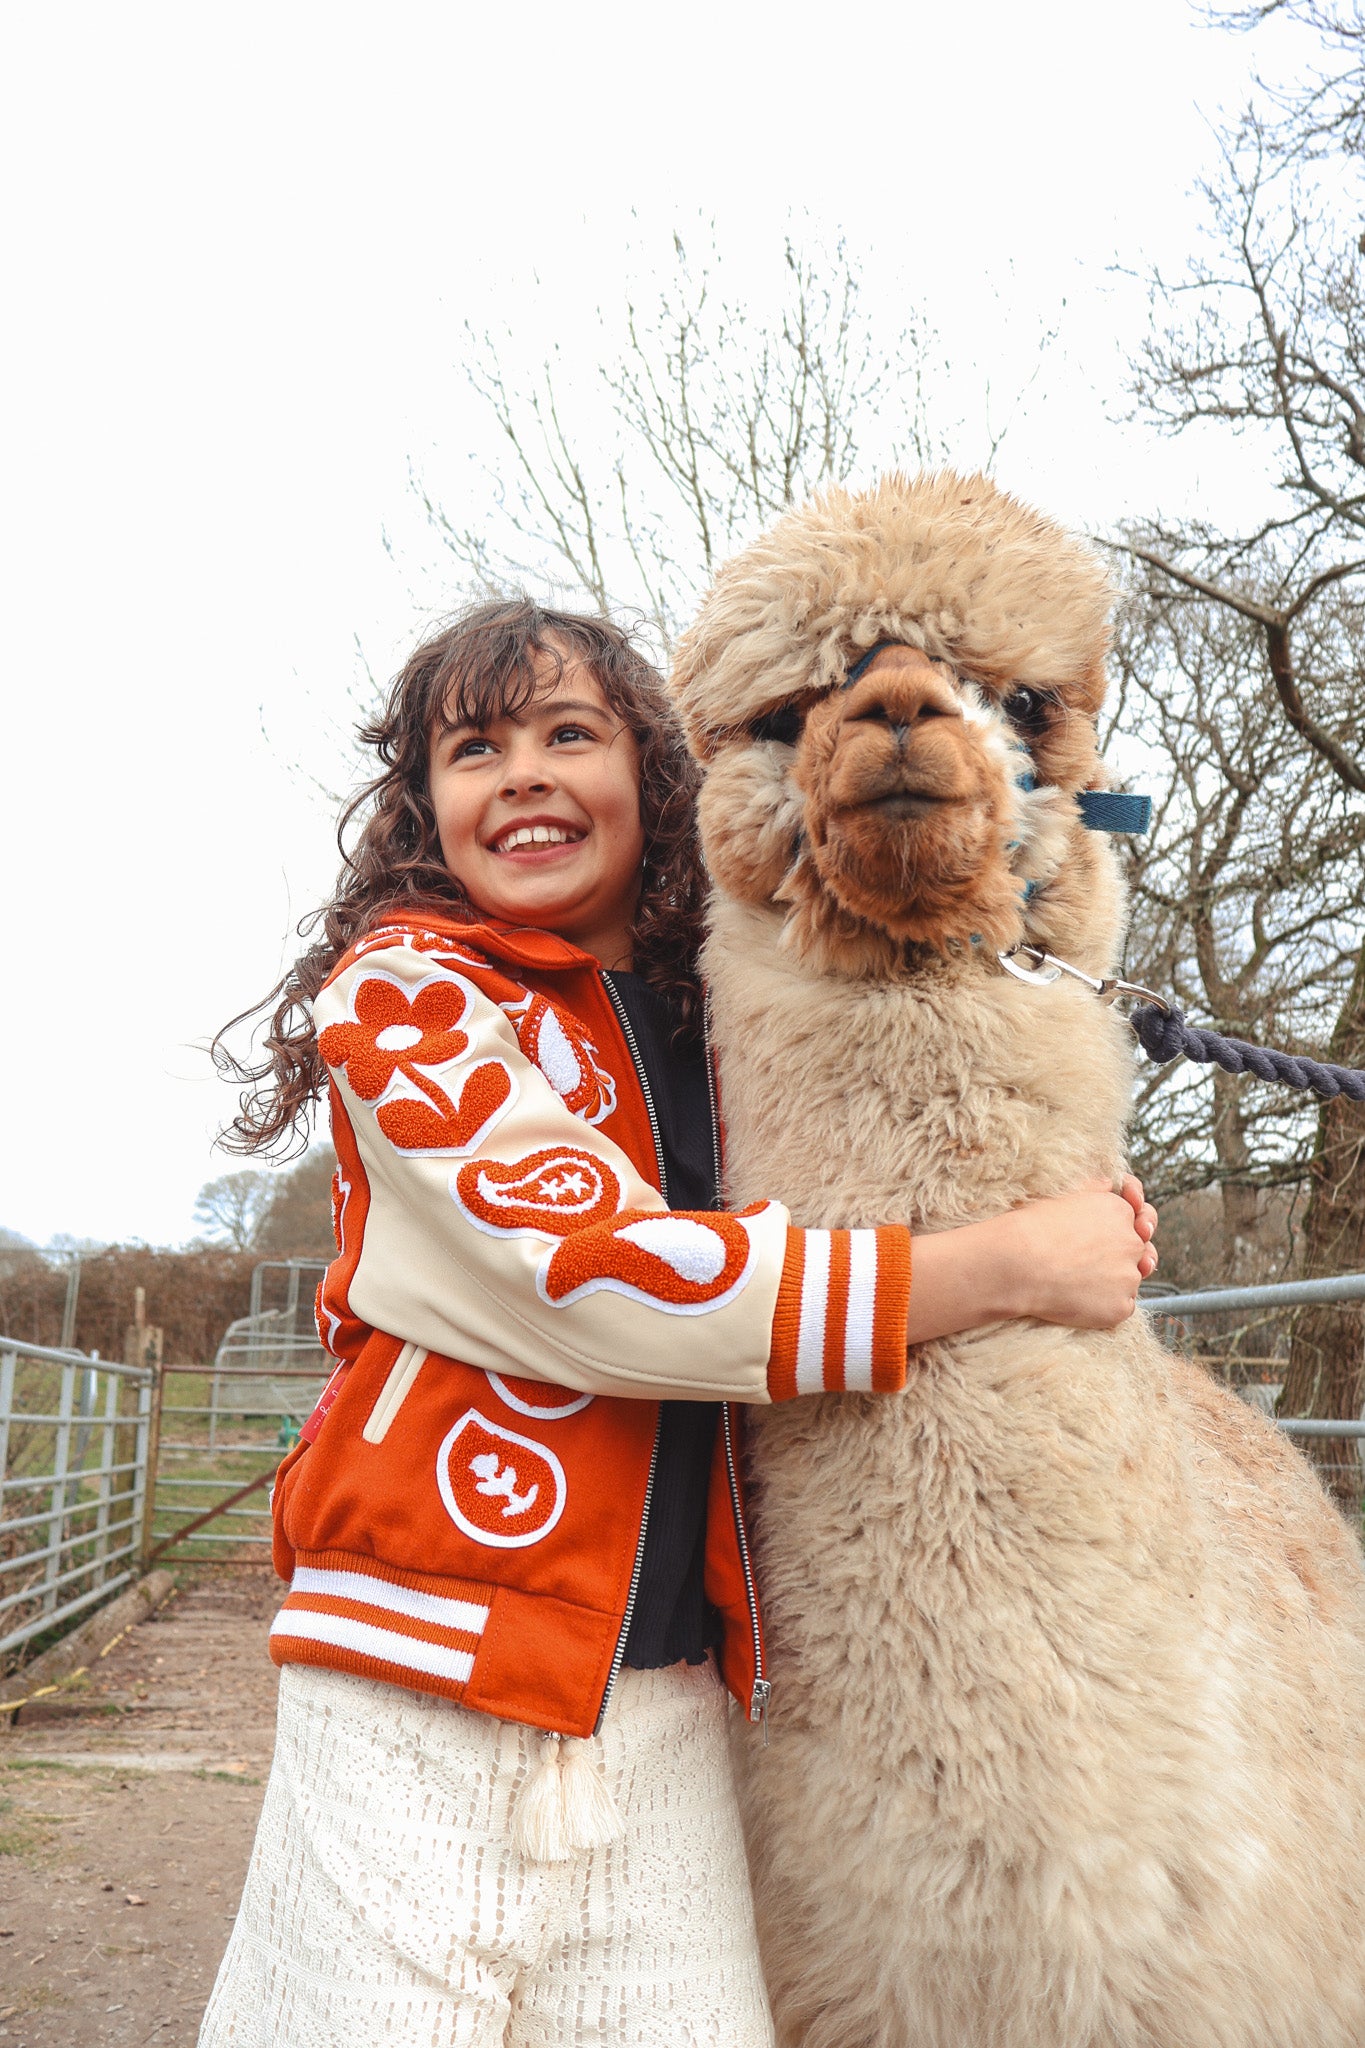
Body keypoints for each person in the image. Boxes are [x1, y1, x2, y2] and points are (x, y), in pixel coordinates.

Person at [200, 599, 1157, 2048]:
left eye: (567, 734)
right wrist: (1003, 1267)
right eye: (474, 749)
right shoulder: (407, 1005)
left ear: (653, 781)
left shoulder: (723, 1027)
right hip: (419, 1680)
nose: (521, 772)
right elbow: (595, 1279)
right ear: (427, 812)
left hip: (667, 1702)